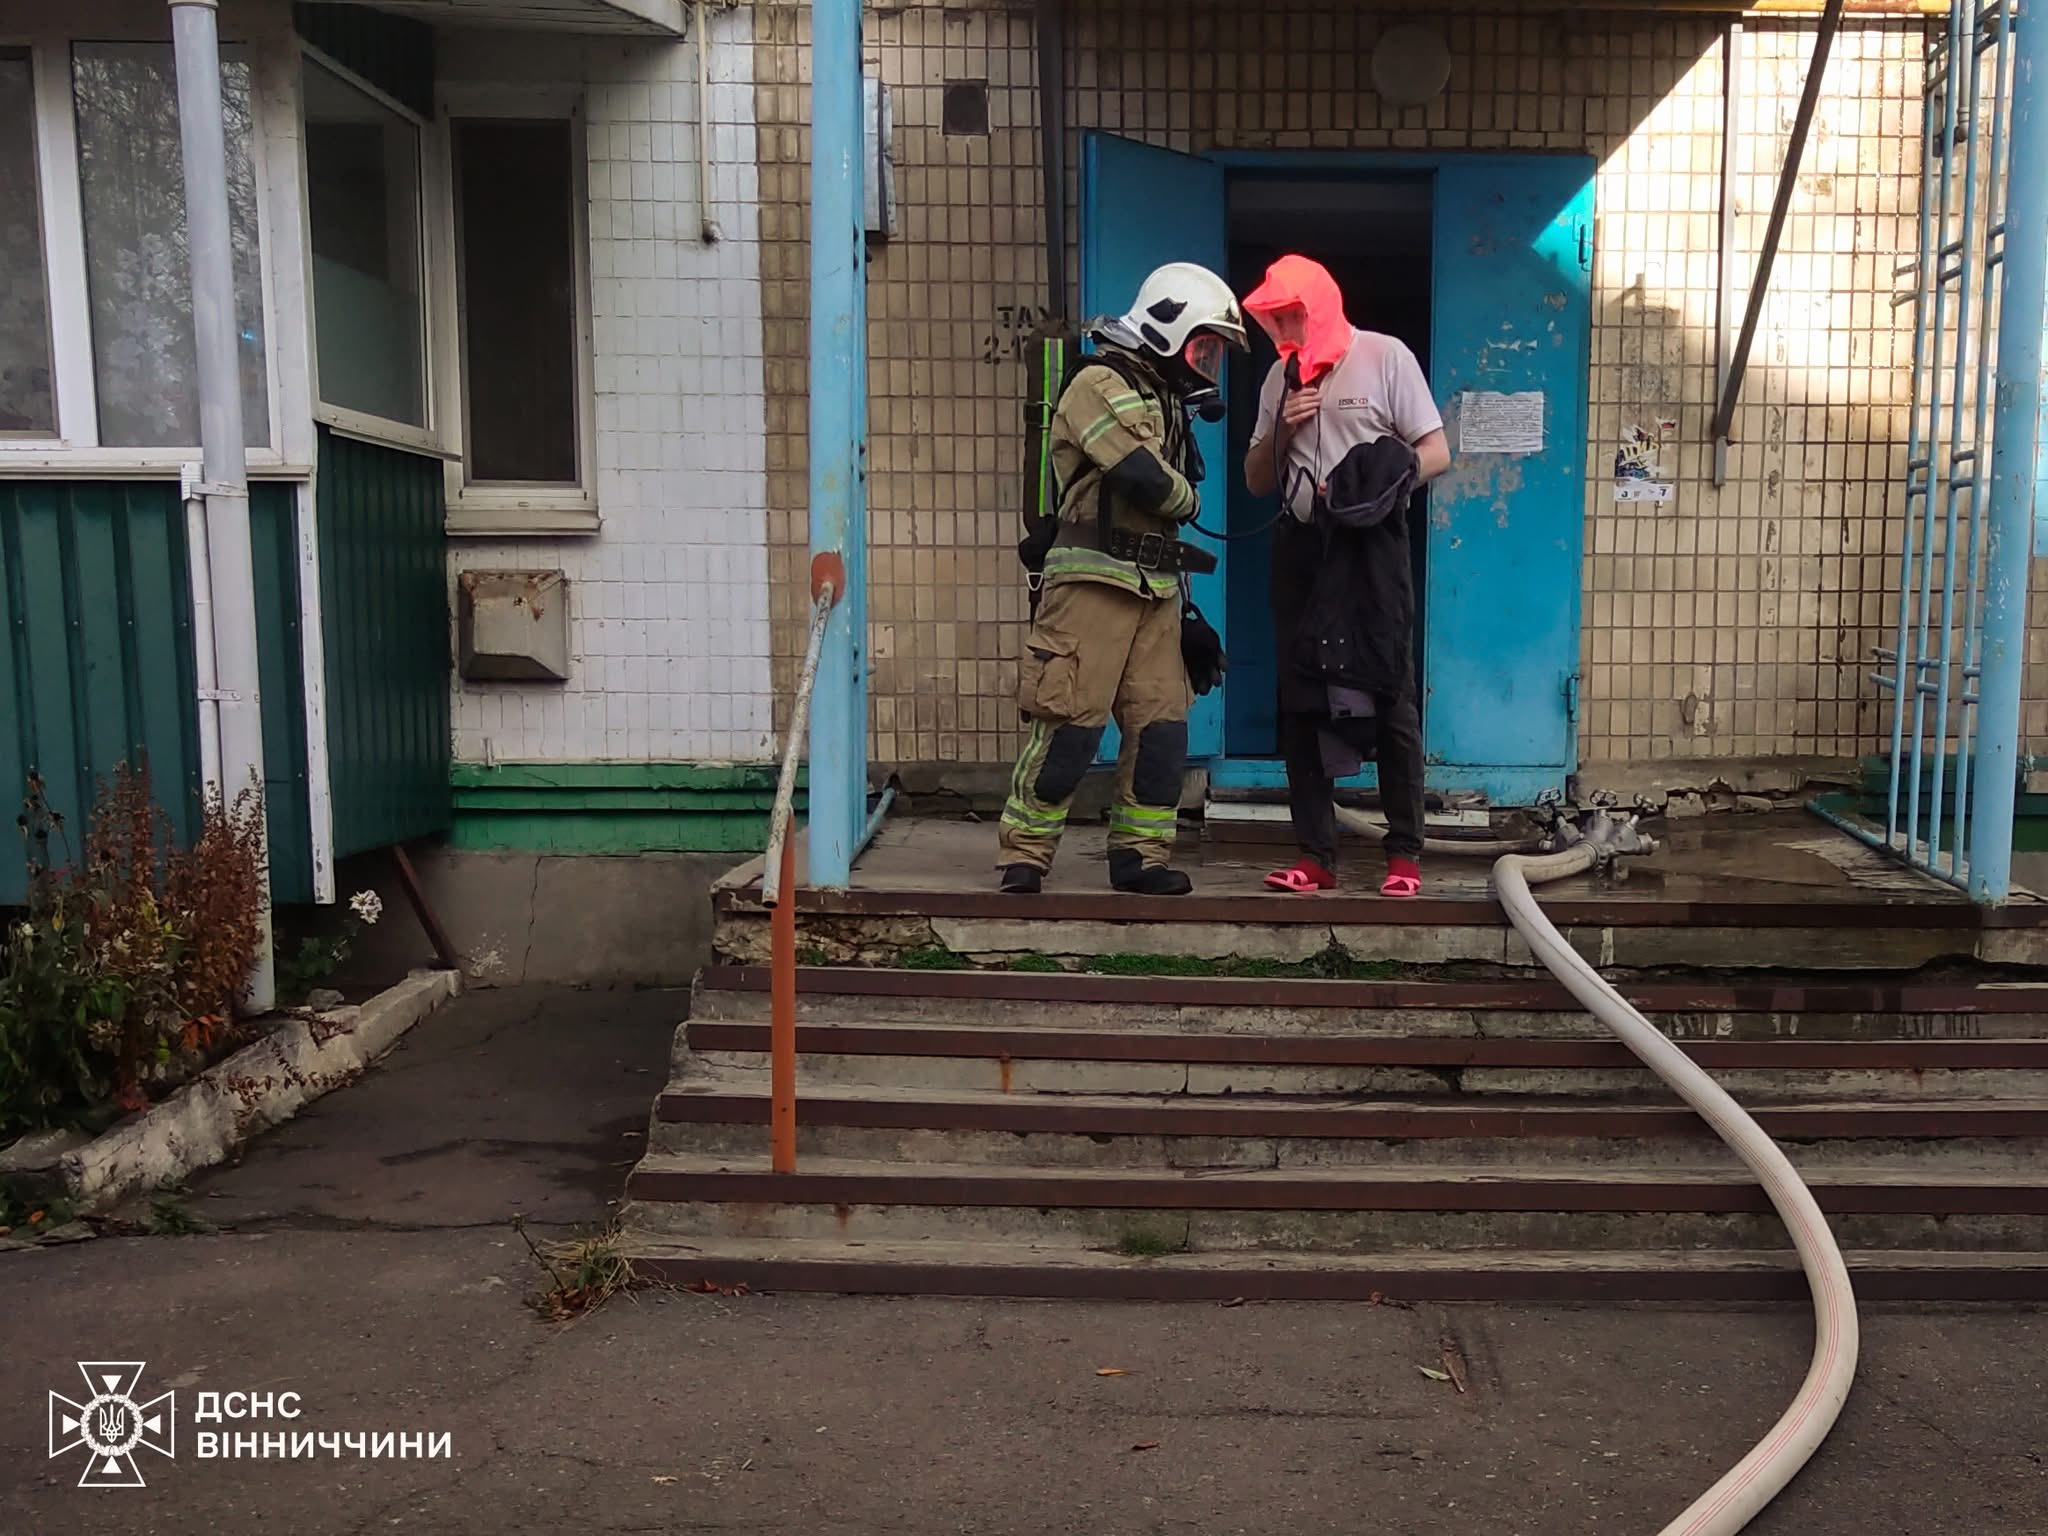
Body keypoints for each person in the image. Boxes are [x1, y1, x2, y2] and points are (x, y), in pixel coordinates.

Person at [996, 262, 1248, 896]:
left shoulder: (1166, 398)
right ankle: (1025, 855)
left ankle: (1140, 857)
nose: (1206, 363)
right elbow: (1147, 480)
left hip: (1157, 589)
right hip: (1090, 583)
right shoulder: (1098, 381)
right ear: (1167, 327)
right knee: (1068, 730)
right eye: (1203, 346)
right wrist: (1188, 497)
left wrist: (1189, 613)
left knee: (1163, 733)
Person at [1241, 255, 1451, 898]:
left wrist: (1375, 483)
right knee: (1302, 703)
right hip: (1303, 550)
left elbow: (1436, 451)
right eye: (1274, 320)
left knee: (1389, 695)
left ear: (1320, 308)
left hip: (1372, 550)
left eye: (1292, 316)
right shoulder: (1280, 379)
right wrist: (1283, 427)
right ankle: (1316, 857)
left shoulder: (1386, 357)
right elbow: (1255, 480)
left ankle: (1404, 858)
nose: (1284, 330)